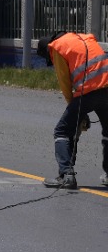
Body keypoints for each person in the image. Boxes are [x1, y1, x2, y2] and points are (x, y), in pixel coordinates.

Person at [37, 30, 108, 190]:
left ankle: (66, 176)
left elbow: (65, 83)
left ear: (48, 50)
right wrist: (80, 113)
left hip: (88, 92)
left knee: (62, 131)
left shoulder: (57, 47)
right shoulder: (82, 38)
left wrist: (75, 110)